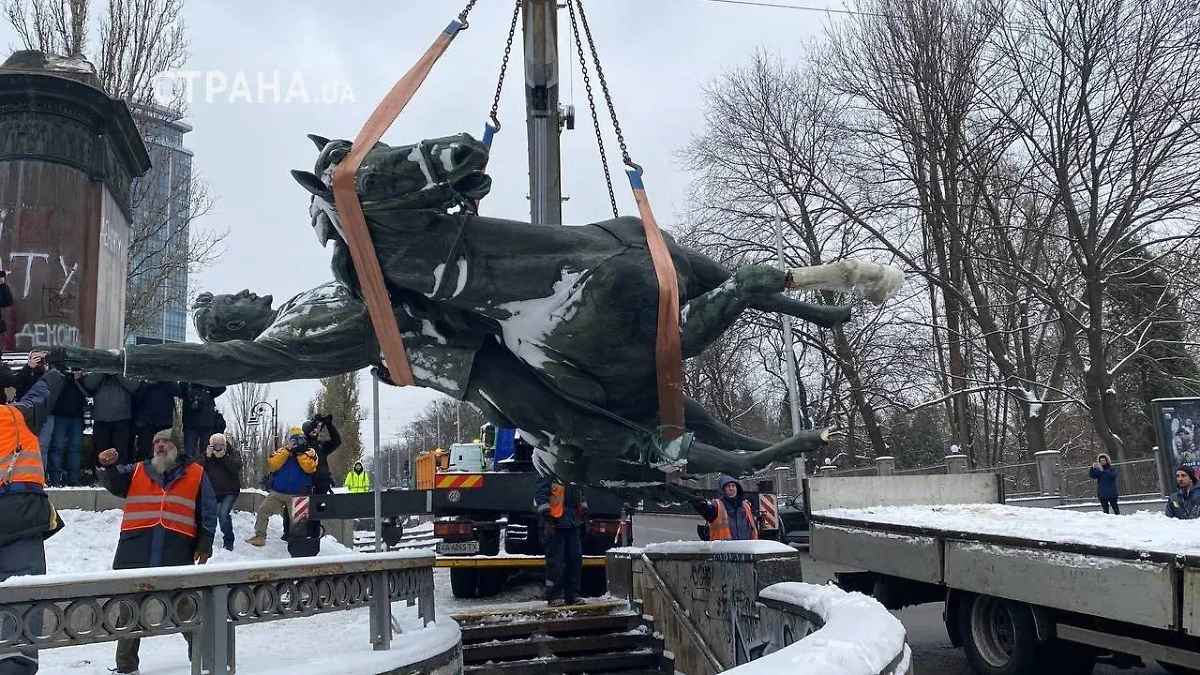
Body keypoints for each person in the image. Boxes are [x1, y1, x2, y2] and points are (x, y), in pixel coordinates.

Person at [97, 430, 217, 675]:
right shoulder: (138, 469)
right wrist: (109, 467)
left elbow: (208, 511)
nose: (160, 446)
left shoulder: (196, 473)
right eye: (156, 442)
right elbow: (115, 483)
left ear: (177, 447)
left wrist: (205, 544)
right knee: (129, 612)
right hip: (136, 550)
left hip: (175, 550)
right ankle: (126, 667)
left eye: (166, 442)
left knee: (184, 608)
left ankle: (204, 659)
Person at [0, 369, 66, 675]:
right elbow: (44, 393)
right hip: (19, 516)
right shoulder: (15, 416)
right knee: (22, 597)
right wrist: (52, 371)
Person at [246, 429, 318, 547]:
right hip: (278, 491)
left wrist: (299, 453)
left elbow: (310, 468)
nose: (295, 443)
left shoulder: (309, 452)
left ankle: (298, 543)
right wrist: (287, 451)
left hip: (298, 494)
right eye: (293, 440)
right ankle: (260, 536)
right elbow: (273, 463)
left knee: (299, 521)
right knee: (263, 510)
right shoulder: (282, 451)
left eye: (298, 440)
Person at [534, 475, 589, 607]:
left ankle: (572, 595)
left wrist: (585, 516)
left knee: (575, 560)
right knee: (555, 562)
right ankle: (553, 596)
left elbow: (580, 496)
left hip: (572, 523)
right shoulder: (547, 474)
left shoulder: (571, 476)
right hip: (554, 523)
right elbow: (540, 496)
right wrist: (548, 519)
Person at [42, 368, 89, 487]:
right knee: (57, 448)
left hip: (77, 415)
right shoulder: (57, 373)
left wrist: (80, 378)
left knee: (75, 449)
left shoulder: (80, 374)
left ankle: (74, 479)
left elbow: (88, 392)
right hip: (59, 415)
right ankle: (54, 479)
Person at [196, 433, 242, 551]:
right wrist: (207, 456)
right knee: (206, 514)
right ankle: (204, 539)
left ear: (225, 445)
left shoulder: (233, 453)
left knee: (222, 514)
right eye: (215, 445)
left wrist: (224, 457)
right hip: (212, 491)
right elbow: (196, 469)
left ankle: (228, 540)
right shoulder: (207, 454)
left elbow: (237, 466)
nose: (218, 447)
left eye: (220, 445)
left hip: (230, 491)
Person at [83, 373, 140, 468]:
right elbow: (89, 384)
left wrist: (117, 373)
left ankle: (119, 477)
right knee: (100, 450)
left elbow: (134, 386)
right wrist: (103, 371)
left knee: (120, 452)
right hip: (101, 417)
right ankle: (101, 477)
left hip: (122, 417)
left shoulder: (125, 366)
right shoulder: (99, 367)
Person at [692, 475, 758, 541]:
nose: (731, 488)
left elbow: (752, 527)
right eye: (728, 486)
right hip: (724, 549)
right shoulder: (717, 505)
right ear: (723, 489)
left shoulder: (745, 505)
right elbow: (706, 510)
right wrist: (699, 504)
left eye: (733, 486)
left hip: (745, 548)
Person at [130, 381, 180, 463]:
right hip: (144, 417)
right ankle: (141, 473)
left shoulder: (167, 372)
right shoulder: (141, 372)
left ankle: (164, 473)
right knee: (143, 451)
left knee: (165, 450)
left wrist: (161, 379)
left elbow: (177, 390)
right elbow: (135, 391)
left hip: (163, 418)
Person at [179, 382, 226, 458]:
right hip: (196, 423)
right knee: (192, 454)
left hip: (200, 423)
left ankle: (201, 467)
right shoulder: (188, 384)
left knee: (203, 453)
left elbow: (221, 387)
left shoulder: (205, 385)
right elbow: (179, 391)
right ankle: (193, 467)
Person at [304, 413, 341, 496]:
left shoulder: (320, 445)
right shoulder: (303, 445)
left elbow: (336, 441)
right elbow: (305, 438)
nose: (314, 430)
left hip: (323, 484)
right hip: (309, 485)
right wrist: (314, 423)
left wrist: (329, 425)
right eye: (311, 430)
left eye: (315, 429)